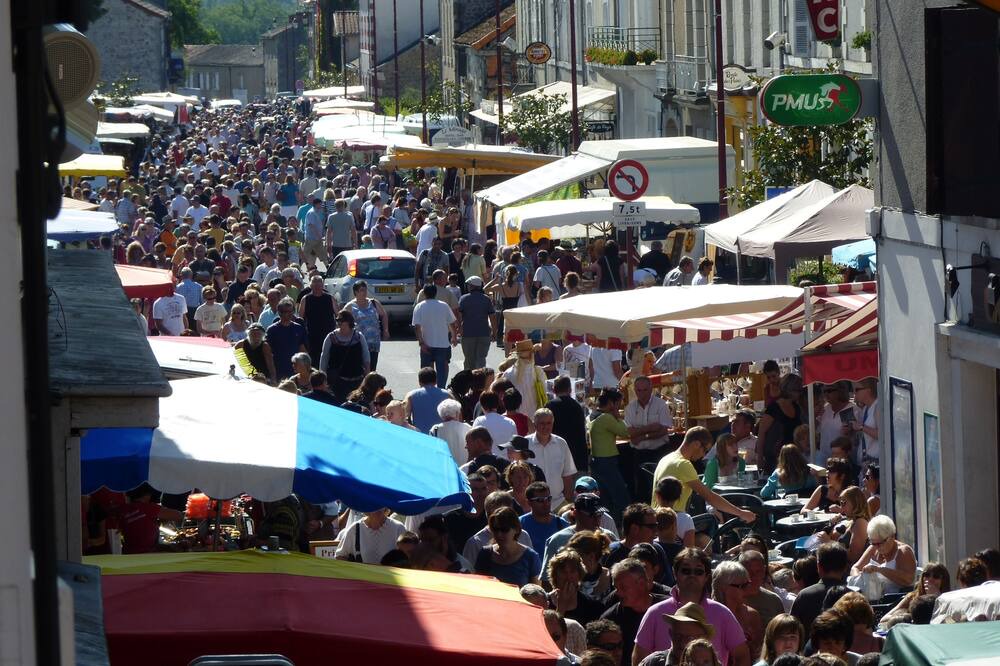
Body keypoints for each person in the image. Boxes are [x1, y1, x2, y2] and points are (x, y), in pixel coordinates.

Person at [633, 548, 751, 666]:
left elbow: (742, 655)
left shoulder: (722, 613)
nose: (692, 575)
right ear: (675, 573)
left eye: (698, 571)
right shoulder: (655, 613)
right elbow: (639, 658)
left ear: (706, 576)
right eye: (686, 570)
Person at [650, 427, 757, 524]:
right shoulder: (683, 464)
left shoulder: (666, 458)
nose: (704, 455)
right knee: (708, 536)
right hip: (672, 523)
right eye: (705, 450)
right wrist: (741, 513)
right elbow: (709, 496)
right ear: (696, 444)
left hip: (658, 521)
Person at [602, 558, 667, 666]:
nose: (618, 593)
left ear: (641, 583)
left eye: (623, 587)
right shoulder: (611, 619)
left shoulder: (668, 609)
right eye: (616, 588)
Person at [624, 375, 674, 503]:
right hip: (640, 454)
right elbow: (630, 432)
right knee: (642, 490)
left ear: (651, 389)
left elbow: (663, 430)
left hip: (659, 452)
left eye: (645, 390)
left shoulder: (661, 405)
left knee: (662, 487)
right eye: (639, 390)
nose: (642, 393)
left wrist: (642, 435)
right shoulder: (630, 408)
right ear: (635, 390)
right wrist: (650, 428)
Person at [588, 388, 632, 523]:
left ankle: (609, 524)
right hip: (607, 461)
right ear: (612, 403)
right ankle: (625, 523)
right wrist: (618, 416)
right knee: (621, 496)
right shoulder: (607, 417)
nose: (619, 406)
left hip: (596, 461)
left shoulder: (593, 415)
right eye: (618, 403)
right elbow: (626, 432)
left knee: (605, 497)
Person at [473, 506, 542, 586]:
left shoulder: (530, 557)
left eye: (504, 530)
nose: (499, 534)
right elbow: (477, 586)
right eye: (495, 529)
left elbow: (536, 591)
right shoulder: (485, 554)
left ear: (516, 529)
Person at [850, 514, 916, 595]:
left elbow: (908, 580)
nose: (877, 547)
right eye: (873, 543)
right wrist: (859, 579)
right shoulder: (873, 548)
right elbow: (855, 568)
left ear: (892, 536)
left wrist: (879, 569)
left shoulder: (903, 551)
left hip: (896, 599)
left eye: (880, 543)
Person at [790, 543, 849, 633]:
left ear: (818, 566)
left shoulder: (804, 596)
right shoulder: (854, 596)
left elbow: (792, 628)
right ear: (845, 567)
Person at [712, 561, 764, 660]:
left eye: (748, 584)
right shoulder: (708, 614)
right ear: (724, 587)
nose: (748, 589)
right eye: (742, 586)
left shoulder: (752, 616)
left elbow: (759, 654)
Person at [528, 408, 578, 509]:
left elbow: (567, 474)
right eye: (542, 423)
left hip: (558, 503)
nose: (546, 426)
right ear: (535, 424)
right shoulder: (526, 444)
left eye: (549, 423)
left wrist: (568, 500)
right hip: (533, 505)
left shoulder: (561, 443)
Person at [756, 374, 804, 476]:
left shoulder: (796, 407)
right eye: (798, 390)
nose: (800, 393)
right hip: (775, 458)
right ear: (790, 389)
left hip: (792, 457)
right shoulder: (774, 408)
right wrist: (760, 458)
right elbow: (761, 433)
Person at [116, 483, 183, 555]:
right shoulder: (148, 508)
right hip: (147, 554)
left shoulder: (123, 509)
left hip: (128, 553)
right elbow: (178, 515)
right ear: (147, 495)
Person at [411, 284, 457, 387]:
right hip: (443, 344)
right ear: (435, 293)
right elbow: (451, 323)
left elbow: (417, 327)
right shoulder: (444, 305)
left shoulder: (419, 306)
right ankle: (441, 389)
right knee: (442, 369)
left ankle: (427, 389)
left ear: (424, 293)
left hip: (427, 343)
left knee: (427, 372)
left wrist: (421, 342)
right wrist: (454, 337)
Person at [319, 310, 370, 402]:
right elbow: (324, 358)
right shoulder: (331, 337)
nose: (339, 323)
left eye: (342, 321)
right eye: (338, 321)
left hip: (357, 380)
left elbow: (366, 356)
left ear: (349, 322)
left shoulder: (359, 336)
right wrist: (323, 378)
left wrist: (367, 375)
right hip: (338, 381)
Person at [548, 549, 607, 627]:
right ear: (555, 575)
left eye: (572, 571)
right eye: (563, 572)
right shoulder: (544, 602)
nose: (568, 577)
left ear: (579, 574)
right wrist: (561, 607)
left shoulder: (593, 606)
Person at [547, 375, 589, 473]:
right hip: (577, 457)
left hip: (556, 456)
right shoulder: (577, 407)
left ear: (554, 390)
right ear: (570, 390)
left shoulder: (549, 407)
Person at [344, 281, 389, 372]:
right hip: (358, 343)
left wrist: (385, 330)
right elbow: (342, 321)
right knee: (360, 369)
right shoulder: (350, 306)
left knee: (372, 369)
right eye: (361, 290)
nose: (364, 292)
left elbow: (384, 315)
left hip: (374, 343)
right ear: (356, 292)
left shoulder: (373, 303)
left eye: (365, 290)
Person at [882, 562, 950, 622]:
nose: (930, 579)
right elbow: (884, 619)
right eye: (927, 575)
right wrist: (909, 617)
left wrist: (937, 597)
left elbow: (950, 620)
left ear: (943, 581)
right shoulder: (912, 597)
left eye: (936, 576)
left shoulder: (949, 599)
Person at [334, 509, 407, 564]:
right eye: (373, 503)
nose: (377, 507)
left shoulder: (398, 528)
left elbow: (408, 558)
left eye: (380, 502)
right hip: (363, 579)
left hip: (390, 579)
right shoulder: (354, 529)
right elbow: (340, 556)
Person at [457, 276, 496, 370]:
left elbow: (459, 316)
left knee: (469, 360)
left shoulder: (464, 298)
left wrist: (459, 328)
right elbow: (492, 317)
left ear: (471, 286)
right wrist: (494, 332)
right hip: (484, 333)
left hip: (468, 334)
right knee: (481, 359)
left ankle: (469, 378)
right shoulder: (486, 299)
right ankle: (480, 377)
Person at [298, 275, 338, 365]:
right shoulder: (305, 299)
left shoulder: (330, 298)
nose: (317, 287)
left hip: (328, 334)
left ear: (322, 285)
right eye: (314, 284)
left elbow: (338, 315)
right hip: (311, 336)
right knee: (314, 360)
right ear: (310, 285)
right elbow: (300, 318)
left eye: (319, 284)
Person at [265, 297, 308, 380]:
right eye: (284, 311)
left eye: (290, 311)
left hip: (295, 370)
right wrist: (272, 373)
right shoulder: (272, 330)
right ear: (279, 312)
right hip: (279, 370)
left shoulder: (298, 328)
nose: (287, 314)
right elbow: (267, 353)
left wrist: (307, 369)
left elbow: (302, 349)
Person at [504, 340, 548, 418]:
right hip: (534, 416)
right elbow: (546, 391)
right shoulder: (538, 371)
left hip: (515, 417)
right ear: (532, 354)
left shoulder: (508, 373)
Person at [405, 367, 450, 434]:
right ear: (436, 381)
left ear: (419, 382)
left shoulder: (410, 395)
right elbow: (457, 417)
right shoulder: (447, 395)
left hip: (420, 436)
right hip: (441, 435)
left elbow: (405, 416)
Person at [849, 379, 879, 470]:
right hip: (863, 462)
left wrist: (861, 427)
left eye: (857, 390)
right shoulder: (865, 408)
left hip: (875, 462)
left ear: (868, 390)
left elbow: (881, 435)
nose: (854, 393)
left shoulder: (878, 406)